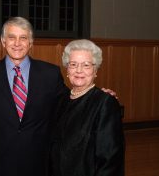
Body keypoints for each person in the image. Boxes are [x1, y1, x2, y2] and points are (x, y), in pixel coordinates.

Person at [0, 16, 69, 176]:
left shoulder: (50, 74)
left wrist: (97, 96)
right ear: (3, 41)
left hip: (38, 161)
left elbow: (67, 107)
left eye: (23, 38)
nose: (17, 43)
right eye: (11, 37)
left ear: (31, 42)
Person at [49, 39, 125, 176]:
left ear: (95, 70)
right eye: (73, 64)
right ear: (67, 69)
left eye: (86, 65)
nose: (79, 70)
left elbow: (110, 159)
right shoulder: (61, 100)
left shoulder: (105, 103)